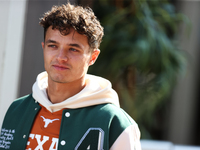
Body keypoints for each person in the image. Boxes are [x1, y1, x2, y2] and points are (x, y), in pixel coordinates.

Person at [0, 3, 141, 150]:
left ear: (93, 57)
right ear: (44, 48)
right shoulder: (17, 110)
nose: (61, 57)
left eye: (73, 49)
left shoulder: (115, 123)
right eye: (53, 46)